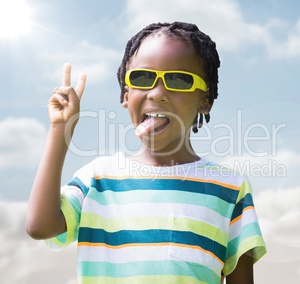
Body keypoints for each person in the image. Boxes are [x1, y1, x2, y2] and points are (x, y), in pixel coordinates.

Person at [26, 21, 266, 284]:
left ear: (205, 100)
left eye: (179, 80)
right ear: (126, 94)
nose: (157, 93)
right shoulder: (98, 178)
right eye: (143, 78)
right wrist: (60, 129)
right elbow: (40, 226)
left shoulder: (231, 189)